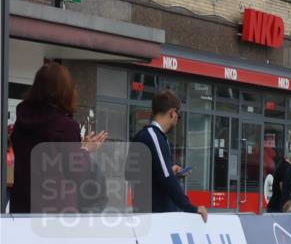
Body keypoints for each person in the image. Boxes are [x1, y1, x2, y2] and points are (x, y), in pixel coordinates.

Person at [11, 63, 109, 214]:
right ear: (65, 91)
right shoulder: (65, 126)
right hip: (56, 212)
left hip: (22, 207)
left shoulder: (21, 122)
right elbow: (76, 172)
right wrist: (86, 149)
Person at [128, 89, 207, 221]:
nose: (177, 120)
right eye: (179, 116)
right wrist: (191, 207)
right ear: (172, 113)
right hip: (158, 215)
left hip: (147, 214)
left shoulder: (143, 136)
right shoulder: (154, 137)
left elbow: (130, 173)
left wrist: (168, 171)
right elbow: (166, 179)